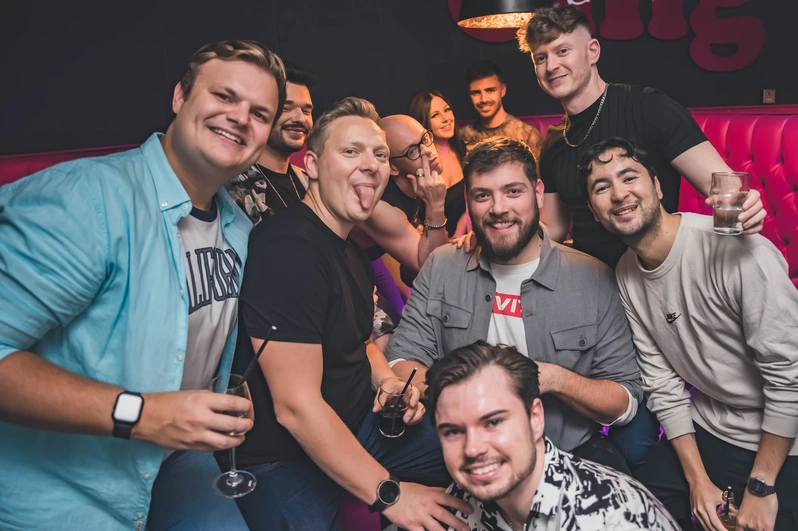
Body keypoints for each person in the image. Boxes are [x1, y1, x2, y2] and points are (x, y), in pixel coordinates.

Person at [0, 40, 286, 531]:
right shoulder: (86, 200)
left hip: (173, 461)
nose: (240, 117)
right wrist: (145, 413)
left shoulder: (238, 227)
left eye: (259, 112)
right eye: (224, 96)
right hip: (60, 484)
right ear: (179, 97)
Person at [230, 97, 472, 531]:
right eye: (350, 151)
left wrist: (389, 383)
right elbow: (295, 408)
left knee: (477, 446)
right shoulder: (289, 249)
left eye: (379, 155)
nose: (370, 165)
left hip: (361, 423)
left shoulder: (350, 251)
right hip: (282, 457)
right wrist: (390, 494)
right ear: (313, 166)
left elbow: (361, 344)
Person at [387, 137, 643, 475]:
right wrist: (417, 388)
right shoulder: (442, 267)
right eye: (482, 195)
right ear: (468, 201)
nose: (498, 208)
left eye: (513, 191)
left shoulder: (593, 278)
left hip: (564, 453)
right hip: (462, 456)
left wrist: (554, 379)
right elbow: (403, 357)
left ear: (538, 193)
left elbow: (624, 401)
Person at [581, 137, 798, 531]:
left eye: (629, 176)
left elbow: (790, 378)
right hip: (711, 425)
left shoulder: (737, 250)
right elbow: (662, 384)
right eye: (601, 187)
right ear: (595, 214)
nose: (618, 194)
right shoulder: (626, 274)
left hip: (784, 436)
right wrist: (698, 481)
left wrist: (761, 487)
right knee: (629, 516)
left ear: (659, 185)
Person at [516, 5, 766, 270]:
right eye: (540, 58)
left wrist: (746, 206)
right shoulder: (554, 143)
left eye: (562, 51)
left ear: (592, 52)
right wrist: (502, 232)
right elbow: (554, 227)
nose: (551, 66)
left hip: (659, 276)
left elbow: (725, 189)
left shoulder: (648, 108)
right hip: (591, 283)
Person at [426, 341, 680, 531]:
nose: (472, 449)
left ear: (535, 418)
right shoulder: (461, 500)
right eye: (454, 431)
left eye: (493, 422)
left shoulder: (615, 518)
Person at [350, 114, 450, 321]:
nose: (427, 151)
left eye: (424, 139)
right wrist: (435, 205)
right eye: (412, 151)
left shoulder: (416, 181)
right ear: (392, 168)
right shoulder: (379, 206)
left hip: (368, 262)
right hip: (338, 275)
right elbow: (432, 268)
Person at [226, 62, 316, 222]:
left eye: (306, 111)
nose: (300, 118)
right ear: (258, 114)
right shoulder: (234, 184)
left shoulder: (311, 181)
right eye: (286, 108)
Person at [409, 89, 469, 237]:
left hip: (463, 239)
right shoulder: (418, 164)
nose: (445, 118)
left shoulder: (463, 150)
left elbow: (471, 201)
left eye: (447, 110)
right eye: (435, 115)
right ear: (423, 123)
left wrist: (458, 235)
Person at [459, 59, 542, 159]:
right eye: (476, 93)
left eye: (490, 90)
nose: (483, 99)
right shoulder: (463, 137)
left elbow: (538, 174)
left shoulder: (528, 135)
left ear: (502, 90)